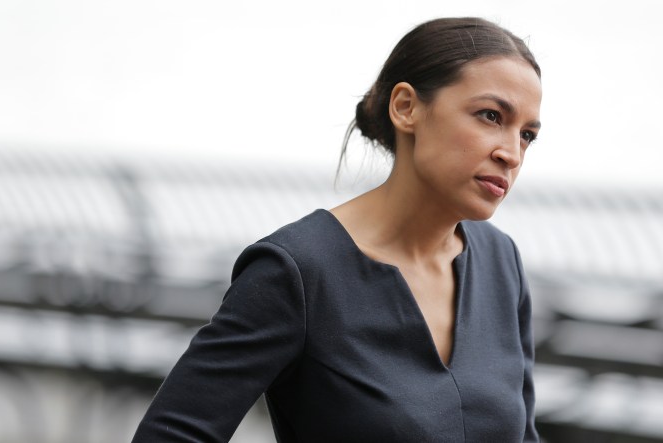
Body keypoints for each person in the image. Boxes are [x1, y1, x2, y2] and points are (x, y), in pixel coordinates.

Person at [132, 16, 542, 442]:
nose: (511, 153)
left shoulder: (501, 262)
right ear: (406, 108)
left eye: (528, 135)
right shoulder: (297, 272)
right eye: (490, 115)